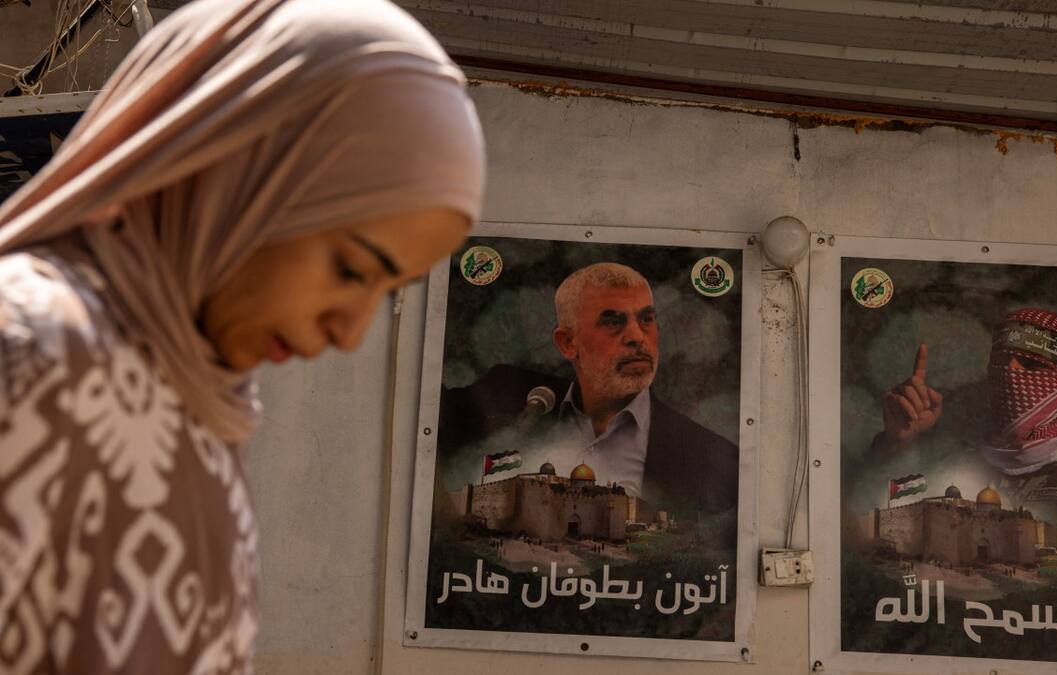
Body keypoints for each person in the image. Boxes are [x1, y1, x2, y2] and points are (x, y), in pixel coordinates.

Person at [0, 0, 485, 672]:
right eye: (350, 268)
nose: (348, 332)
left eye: (387, 290)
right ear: (230, 167)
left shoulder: (193, 394)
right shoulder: (31, 349)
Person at [437, 262, 738, 518]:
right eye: (613, 322)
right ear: (568, 343)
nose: (637, 337)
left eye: (647, 319)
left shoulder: (710, 458)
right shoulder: (509, 396)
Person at [872, 308, 1057, 544]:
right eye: (1001, 361)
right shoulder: (960, 463)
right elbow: (871, 506)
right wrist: (897, 443)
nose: (1010, 372)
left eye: (1031, 363)